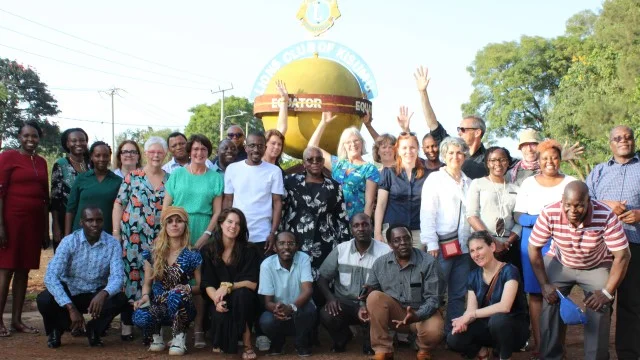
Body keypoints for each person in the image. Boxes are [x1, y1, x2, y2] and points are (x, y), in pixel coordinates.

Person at [528, 181, 631, 360]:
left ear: (589, 201)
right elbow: (533, 248)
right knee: (550, 300)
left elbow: (623, 255)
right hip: (560, 262)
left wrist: (607, 292)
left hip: (596, 265)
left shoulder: (605, 215)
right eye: (568, 205)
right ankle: (551, 356)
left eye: (579, 205)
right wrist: (544, 285)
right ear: (562, 201)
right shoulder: (549, 212)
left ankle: (595, 357)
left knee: (599, 304)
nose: (573, 211)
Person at [513, 139, 576, 357]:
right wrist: (540, 219)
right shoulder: (529, 183)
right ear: (538, 161)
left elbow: (581, 210)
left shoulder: (571, 181)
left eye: (554, 157)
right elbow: (518, 214)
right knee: (536, 294)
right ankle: (540, 344)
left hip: (562, 242)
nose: (550, 161)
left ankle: (558, 344)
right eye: (545, 158)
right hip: (533, 244)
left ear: (560, 159)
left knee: (559, 291)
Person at [36, 206, 128, 348]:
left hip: (95, 295)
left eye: (98, 220)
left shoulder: (113, 244)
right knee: (44, 299)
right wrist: (71, 308)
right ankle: (56, 330)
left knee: (120, 299)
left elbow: (117, 277)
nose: (95, 224)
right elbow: (51, 276)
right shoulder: (69, 242)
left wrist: (104, 293)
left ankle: (94, 330)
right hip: (70, 293)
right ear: (81, 222)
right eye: (90, 220)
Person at [163, 134, 223, 347]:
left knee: (199, 283)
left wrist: (206, 235)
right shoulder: (177, 175)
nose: (199, 153)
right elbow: (167, 207)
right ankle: (178, 329)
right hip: (179, 229)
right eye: (195, 149)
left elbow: (217, 212)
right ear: (190, 151)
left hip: (204, 231)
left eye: (203, 149)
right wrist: (173, 231)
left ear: (208, 152)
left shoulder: (216, 177)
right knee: (177, 280)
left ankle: (198, 329)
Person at [586, 125, 640, 360]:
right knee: (600, 301)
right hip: (603, 248)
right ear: (611, 144)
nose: (624, 141)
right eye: (618, 138)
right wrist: (606, 204)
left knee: (632, 303)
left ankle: (628, 354)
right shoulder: (598, 171)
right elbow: (583, 201)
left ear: (634, 141)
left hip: (635, 244)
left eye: (628, 137)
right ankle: (597, 355)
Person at [112, 136, 170, 341]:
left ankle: (152, 325)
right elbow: (119, 203)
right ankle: (127, 323)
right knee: (131, 278)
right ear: (146, 154)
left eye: (160, 152)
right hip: (132, 239)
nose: (156, 155)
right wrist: (116, 233)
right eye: (152, 152)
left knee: (156, 279)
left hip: (159, 240)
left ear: (165, 155)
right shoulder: (132, 177)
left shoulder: (170, 179)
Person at [361, 224, 445, 360]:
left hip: (421, 315)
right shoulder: (380, 263)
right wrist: (367, 292)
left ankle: (424, 349)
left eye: (406, 239)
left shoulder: (429, 263)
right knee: (374, 297)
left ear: (412, 239)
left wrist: (417, 315)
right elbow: (371, 289)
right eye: (397, 240)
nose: (403, 243)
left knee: (434, 329)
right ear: (389, 244)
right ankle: (383, 349)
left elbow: (434, 299)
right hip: (396, 315)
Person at [0, 121, 50, 337]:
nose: (31, 140)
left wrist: (42, 231)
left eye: (35, 136)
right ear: (19, 137)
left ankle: (17, 321)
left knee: (24, 271)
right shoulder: (8, 157)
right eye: (26, 136)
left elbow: (44, 196)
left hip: (33, 223)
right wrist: (0, 226)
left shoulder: (41, 162)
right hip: (11, 222)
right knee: (5, 270)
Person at [447, 231, 530, 360]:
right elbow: (471, 309)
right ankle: (482, 352)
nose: (476, 254)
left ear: (492, 247)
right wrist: (463, 321)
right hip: (488, 327)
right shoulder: (473, 275)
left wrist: (471, 315)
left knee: (498, 320)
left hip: (513, 328)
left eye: (480, 248)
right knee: (454, 338)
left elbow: (505, 306)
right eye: (472, 251)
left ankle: (504, 356)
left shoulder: (510, 270)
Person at [132, 206, 202, 356]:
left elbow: (201, 287)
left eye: (179, 221)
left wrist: (186, 289)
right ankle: (157, 335)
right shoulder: (154, 252)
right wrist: (144, 296)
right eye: (170, 221)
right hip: (160, 306)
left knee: (176, 294)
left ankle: (179, 337)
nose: (174, 224)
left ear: (185, 225)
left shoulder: (192, 254)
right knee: (139, 316)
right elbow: (147, 284)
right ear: (165, 226)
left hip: (183, 306)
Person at [317, 213, 390, 354]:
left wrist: (373, 296)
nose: (361, 229)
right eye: (356, 225)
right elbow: (322, 278)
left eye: (365, 224)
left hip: (372, 304)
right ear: (351, 229)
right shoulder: (341, 249)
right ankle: (342, 337)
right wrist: (330, 298)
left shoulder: (385, 251)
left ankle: (370, 341)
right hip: (345, 304)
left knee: (378, 308)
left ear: (372, 227)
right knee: (327, 313)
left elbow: (391, 283)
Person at [420, 136, 472, 333]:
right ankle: (426, 333)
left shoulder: (469, 182)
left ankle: (453, 333)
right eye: (450, 152)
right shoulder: (435, 179)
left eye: (459, 152)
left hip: (464, 246)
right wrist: (431, 243)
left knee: (458, 293)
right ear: (444, 155)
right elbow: (427, 213)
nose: (455, 156)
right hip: (440, 246)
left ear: (465, 155)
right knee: (434, 292)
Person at [281, 146, 350, 281]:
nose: (315, 162)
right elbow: (283, 210)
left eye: (318, 159)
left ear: (323, 162)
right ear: (304, 163)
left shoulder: (334, 186)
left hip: (326, 242)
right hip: (296, 241)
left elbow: (342, 216)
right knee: (297, 280)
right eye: (310, 159)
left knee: (324, 280)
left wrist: (345, 244)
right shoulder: (290, 182)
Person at [200, 208, 262, 358]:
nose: (233, 226)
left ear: (241, 228)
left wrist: (228, 287)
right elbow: (207, 282)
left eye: (238, 224)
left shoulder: (250, 250)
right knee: (222, 339)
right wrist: (216, 299)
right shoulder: (208, 250)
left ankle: (247, 345)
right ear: (221, 223)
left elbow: (252, 283)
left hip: (245, 299)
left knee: (242, 296)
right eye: (229, 221)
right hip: (220, 299)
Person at [414, 66, 488, 179]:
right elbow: (432, 124)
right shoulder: (450, 146)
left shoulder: (491, 159)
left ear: (477, 132)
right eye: (459, 129)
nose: (459, 133)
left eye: (463, 130)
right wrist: (423, 92)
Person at [307, 111, 379, 218]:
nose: (353, 144)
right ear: (343, 145)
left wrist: (364, 225)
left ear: (362, 142)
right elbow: (311, 148)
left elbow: (370, 203)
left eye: (356, 141)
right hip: (335, 220)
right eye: (348, 142)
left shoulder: (369, 169)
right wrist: (323, 123)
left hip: (357, 222)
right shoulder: (338, 164)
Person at [224, 132, 285, 253]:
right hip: (236, 233)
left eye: (260, 146)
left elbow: (277, 203)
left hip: (263, 235)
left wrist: (273, 233)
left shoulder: (274, 171)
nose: (256, 149)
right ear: (246, 148)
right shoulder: (232, 169)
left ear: (265, 148)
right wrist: (223, 229)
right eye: (252, 145)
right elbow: (228, 200)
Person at [258, 232, 316, 357]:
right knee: (266, 320)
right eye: (281, 243)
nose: (286, 247)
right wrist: (277, 308)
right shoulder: (267, 265)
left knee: (309, 310)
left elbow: (308, 290)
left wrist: (291, 307)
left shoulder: (303, 258)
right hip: (280, 313)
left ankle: (301, 344)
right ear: (274, 247)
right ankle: (278, 343)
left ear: (297, 247)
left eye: (291, 243)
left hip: (299, 311)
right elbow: (267, 302)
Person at [467, 147, 521, 267]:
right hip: (482, 244)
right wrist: (492, 241)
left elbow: (519, 221)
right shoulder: (478, 183)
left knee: (508, 280)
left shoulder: (516, 189)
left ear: (508, 162)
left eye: (502, 159)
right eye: (493, 160)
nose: (498, 164)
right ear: (487, 163)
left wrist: (507, 242)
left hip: (508, 246)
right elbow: (472, 216)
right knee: (483, 283)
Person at [375, 132, 430, 247]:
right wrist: (377, 232)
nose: (408, 151)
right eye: (404, 148)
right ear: (398, 150)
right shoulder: (388, 173)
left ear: (418, 149)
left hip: (418, 232)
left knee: (417, 265)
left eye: (412, 147)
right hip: (392, 232)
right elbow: (381, 204)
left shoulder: (427, 175)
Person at [65, 141, 122, 236]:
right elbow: (71, 209)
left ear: (109, 157)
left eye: (105, 156)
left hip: (107, 234)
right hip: (81, 234)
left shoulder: (118, 181)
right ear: (91, 157)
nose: (102, 159)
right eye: (97, 155)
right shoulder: (81, 178)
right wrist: (67, 236)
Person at [50, 127, 90, 250]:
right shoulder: (61, 164)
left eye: (82, 140)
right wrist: (56, 225)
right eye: (74, 140)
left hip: (88, 220)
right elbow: (55, 199)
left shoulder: (91, 164)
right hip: (64, 220)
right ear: (67, 143)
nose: (78, 143)